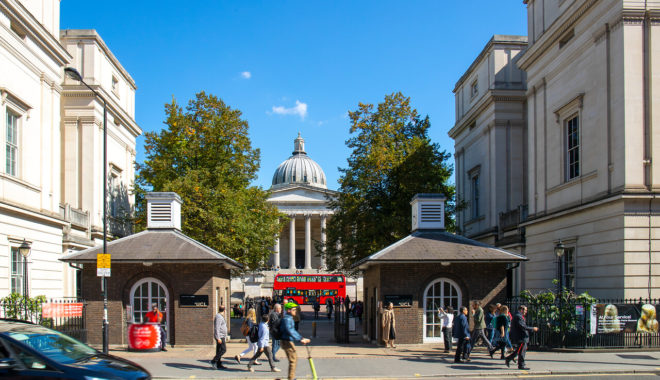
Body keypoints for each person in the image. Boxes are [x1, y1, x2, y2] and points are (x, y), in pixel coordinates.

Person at [280, 302, 311, 380]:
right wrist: (301, 339)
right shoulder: (287, 319)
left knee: (294, 359)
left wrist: (301, 338)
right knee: (293, 360)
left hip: (288, 341)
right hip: (286, 341)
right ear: (289, 310)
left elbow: (292, 330)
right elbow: (290, 330)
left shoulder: (289, 318)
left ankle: (291, 377)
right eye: (294, 310)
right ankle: (291, 378)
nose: (295, 311)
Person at [505, 305, 538, 370]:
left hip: (522, 337)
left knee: (519, 350)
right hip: (521, 337)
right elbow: (523, 327)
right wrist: (533, 328)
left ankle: (509, 359)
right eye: (525, 310)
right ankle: (521, 365)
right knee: (522, 351)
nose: (526, 312)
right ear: (521, 310)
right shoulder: (518, 316)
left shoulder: (519, 316)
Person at [210, 305, 228, 369]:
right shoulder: (219, 317)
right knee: (223, 350)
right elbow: (217, 328)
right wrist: (218, 338)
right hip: (220, 336)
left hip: (221, 335)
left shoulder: (220, 316)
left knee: (219, 350)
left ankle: (218, 364)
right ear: (224, 310)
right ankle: (214, 360)